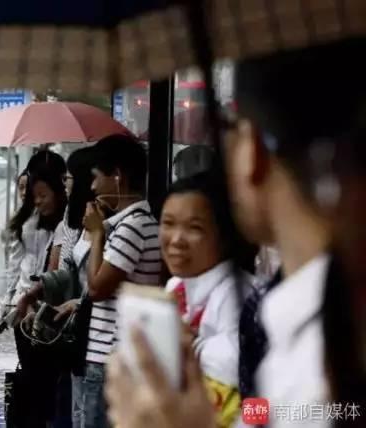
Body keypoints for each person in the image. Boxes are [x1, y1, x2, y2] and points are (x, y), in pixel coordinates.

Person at [106, 38, 366, 428]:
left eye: (231, 127)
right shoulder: (297, 314)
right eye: (169, 223)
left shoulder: (312, 343)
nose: (176, 240)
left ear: (253, 149)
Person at [66, 134, 162, 428]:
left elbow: (96, 288)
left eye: (96, 177)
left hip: (111, 358)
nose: (92, 187)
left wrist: (96, 235)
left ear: (117, 176)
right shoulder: (139, 223)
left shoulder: (132, 228)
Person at [160, 170, 254, 427]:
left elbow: (243, 365)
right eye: (168, 223)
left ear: (225, 235)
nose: (176, 240)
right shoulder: (176, 286)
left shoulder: (238, 296)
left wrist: (192, 347)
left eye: (194, 228)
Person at [12, 147, 97, 428]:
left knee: (62, 402)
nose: (66, 184)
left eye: (69, 178)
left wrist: (71, 301)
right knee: (59, 400)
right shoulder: (71, 223)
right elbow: (62, 271)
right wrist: (32, 295)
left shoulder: (94, 225)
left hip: (76, 328)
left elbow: (92, 282)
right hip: (56, 322)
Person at [1, 166, 68, 427]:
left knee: (48, 383)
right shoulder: (28, 224)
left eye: (42, 194)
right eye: (33, 196)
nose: (37, 201)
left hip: (52, 315)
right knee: (33, 379)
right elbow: (18, 267)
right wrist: (12, 304)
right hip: (26, 311)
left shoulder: (66, 226)